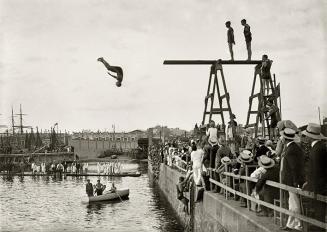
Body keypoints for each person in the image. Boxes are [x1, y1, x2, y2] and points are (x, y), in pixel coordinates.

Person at [302, 123, 327, 231]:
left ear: (311, 137)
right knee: (319, 212)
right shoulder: (319, 147)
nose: (305, 137)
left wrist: (314, 190)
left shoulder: (316, 150)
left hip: (319, 188)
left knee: (319, 211)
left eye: (307, 135)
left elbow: (317, 172)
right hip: (319, 185)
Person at [280, 128, 305, 231]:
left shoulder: (290, 150)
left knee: (294, 203)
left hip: (292, 181)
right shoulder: (295, 147)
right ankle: (293, 224)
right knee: (293, 202)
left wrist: (296, 182)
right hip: (294, 180)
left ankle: (297, 225)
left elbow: (294, 167)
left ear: (285, 139)